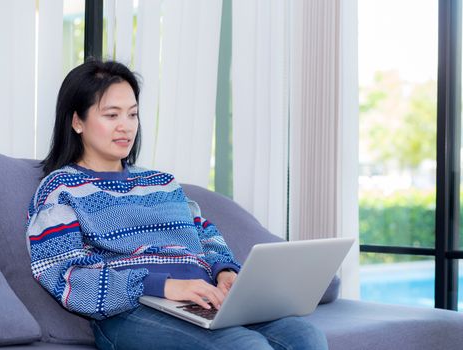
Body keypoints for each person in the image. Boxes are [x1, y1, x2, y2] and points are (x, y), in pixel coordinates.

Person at [25, 59, 328, 350]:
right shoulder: (59, 189)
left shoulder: (163, 182)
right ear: (78, 121)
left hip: (202, 299)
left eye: (132, 114)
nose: (126, 127)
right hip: (131, 311)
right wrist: (162, 285)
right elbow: (63, 271)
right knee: (244, 346)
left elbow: (204, 234)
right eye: (111, 115)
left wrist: (225, 272)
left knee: (305, 337)